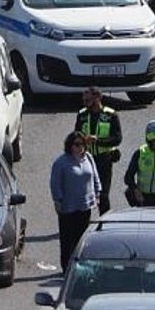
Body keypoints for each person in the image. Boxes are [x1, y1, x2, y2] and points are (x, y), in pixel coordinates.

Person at [50, 131, 100, 274]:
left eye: (83, 144)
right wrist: (57, 200)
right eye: (77, 144)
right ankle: (66, 269)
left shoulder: (88, 158)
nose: (80, 147)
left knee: (82, 239)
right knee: (67, 240)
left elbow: (94, 177)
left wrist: (97, 193)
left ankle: (80, 267)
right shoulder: (61, 162)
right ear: (70, 146)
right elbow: (55, 182)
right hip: (68, 207)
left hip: (85, 206)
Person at [73, 87, 122, 214]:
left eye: (89, 99)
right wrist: (82, 140)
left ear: (98, 98)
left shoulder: (110, 115)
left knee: (104, 193)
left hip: (104, 159)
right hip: (86, 159)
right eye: (84, 100)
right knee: (85, 193)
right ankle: (83, 222)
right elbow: (75, 135)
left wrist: (98, 140)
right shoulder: (82, 114)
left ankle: (105, 220)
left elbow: (117, 138)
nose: (86, 102)